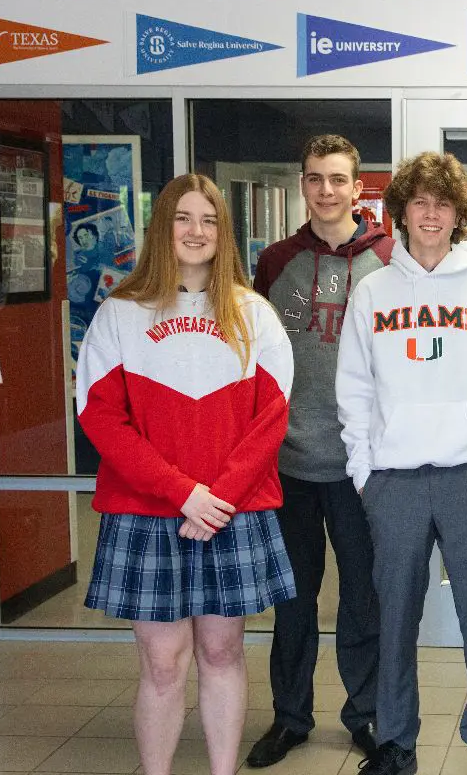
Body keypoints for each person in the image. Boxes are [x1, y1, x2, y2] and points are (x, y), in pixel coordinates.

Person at [76, 174, 295, 775]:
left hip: (231, 510)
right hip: (149, 512)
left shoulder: (254, 314)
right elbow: (101, 419)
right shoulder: (119, 314)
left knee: (222, 652)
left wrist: (216, 497)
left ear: (223, 233)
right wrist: (184, 494)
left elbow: (272, 420)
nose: (196, 232)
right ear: (162, 227)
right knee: (163, 662)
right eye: (183, 218)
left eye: (209, 220)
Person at [337, 152, 467, 775]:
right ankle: (395, 740)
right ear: (400, 211)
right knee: (394, 617)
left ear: (458, 215)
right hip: (392, 480)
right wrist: (365, 473)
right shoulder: (372, 290)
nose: (430, 214)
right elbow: (355, 389)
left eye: (442, 204)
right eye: (418, 202)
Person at [246, 135, 394, 768]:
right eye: (315, 179)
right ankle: (290, 716)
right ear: (302, 185)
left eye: (338, 179)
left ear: (358, 188)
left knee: (363, 597)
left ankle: (363, 714)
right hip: (288, 464)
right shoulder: (275, 261)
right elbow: (251, 355)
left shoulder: (390, 260)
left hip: (362, 467)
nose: (327, 190)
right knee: (294, 600)